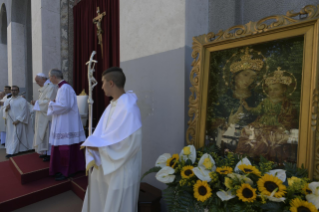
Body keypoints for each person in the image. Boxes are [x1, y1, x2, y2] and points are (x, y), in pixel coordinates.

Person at [81, 67, 142, 212]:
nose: (101, 87)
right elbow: (105, 134)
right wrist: (94, 142)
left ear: (111, 83)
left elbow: (129, 144)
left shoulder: (128, 108)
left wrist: (99, 148)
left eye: (103, 83)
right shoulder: (113, 105)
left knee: (116, 206)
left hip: (121, 169)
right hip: (107, 165)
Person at [236, 68, 298, 162]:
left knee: (268, 138)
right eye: (270, 90)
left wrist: (283, 125)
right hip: (261, 123)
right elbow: (258, 110)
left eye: (276, 89)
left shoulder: (287, 103)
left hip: (278, 125)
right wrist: (248, 107)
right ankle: (245, 155)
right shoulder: (265, 101)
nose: (272, 92)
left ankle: (266, 159)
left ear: (284, 89)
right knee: (246, 130)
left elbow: (289, 117)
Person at [47, 69, 86, 181]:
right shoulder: (62, 88)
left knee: (65, 146)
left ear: (54, 77)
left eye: (50, 77)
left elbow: (65, 106)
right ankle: (62, 169)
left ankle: (67, 171)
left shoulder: (64, 88)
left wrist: (51, 104)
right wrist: (55, 102)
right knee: (63, 145)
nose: (50, 79)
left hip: (66, 123)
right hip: (63, 120)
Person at [32, 73, 58, 162]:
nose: (36, 82)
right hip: (42, 114)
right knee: (44, 134)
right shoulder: (44, 87)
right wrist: (37, 102)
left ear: (43, 79)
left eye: (37, 80)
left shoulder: (50, 87)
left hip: (48, 115)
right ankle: (46, 152)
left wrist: (37, 102)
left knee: (48, 134)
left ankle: (50, 154)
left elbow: (49, 102)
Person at [2, 86, 33, 158]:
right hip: (10, 123)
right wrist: (6, 109)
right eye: (12, 90)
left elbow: (24, 111)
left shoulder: (22, 100)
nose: (13, 91)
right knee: (11, 136)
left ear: (18, 91)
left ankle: (13, 151)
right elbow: (4, 111)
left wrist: (18, 120)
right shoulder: (8, 100)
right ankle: (16, 149)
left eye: (15, 90)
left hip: (19, 122)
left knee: (16, 135)